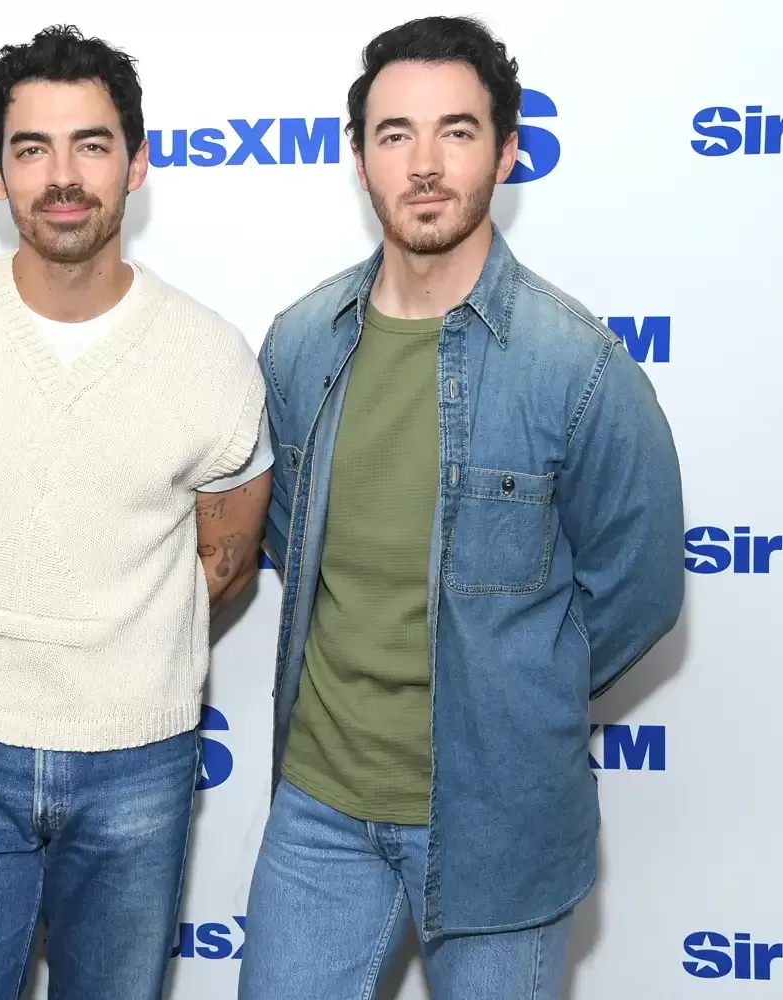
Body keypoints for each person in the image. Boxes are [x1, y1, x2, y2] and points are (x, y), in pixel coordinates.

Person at [239, 16, 684, 999]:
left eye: (458, 130)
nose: (426, 162)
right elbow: (287, 536)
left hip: (503, 822)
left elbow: (641, 589)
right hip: (318, 811)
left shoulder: (579, 366)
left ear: (508, 150)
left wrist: (521, 684)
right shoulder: (302, 343)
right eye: (395, 133)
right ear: (359, 158)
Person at [0, 24, 272, 1000]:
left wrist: (113, 659)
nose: (63, 175)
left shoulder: (212, 357)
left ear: (139, 161)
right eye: (31, 148)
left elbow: (226, 556)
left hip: (142, 761)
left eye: (90, 143)